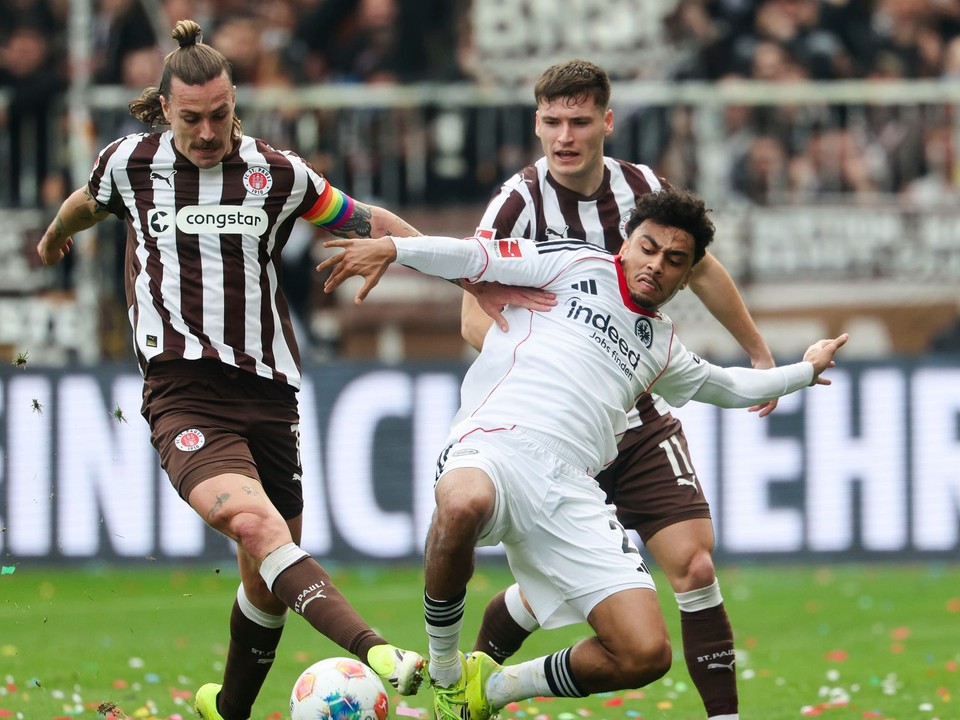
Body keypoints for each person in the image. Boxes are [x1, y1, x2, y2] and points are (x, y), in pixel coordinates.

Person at [317, 186, 848, 720]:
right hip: (496, 442)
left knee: (645, 653)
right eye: (648, 247)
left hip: (573, 490)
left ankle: (492, 688)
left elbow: (726, 386)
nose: (656, 265)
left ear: (687, 277)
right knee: (460, 504)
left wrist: (806, 370)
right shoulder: (572, 262)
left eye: (674, 260)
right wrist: (398, 250)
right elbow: (474, 257)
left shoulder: (664, 347)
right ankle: (449, 674)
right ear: (626, 244)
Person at [35, 20, 428, 720]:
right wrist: (55, 236)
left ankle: (228, 710)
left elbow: (362, 218)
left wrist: (456, 265)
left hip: (270, 394)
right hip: (183, 393)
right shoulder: (128, 163)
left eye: (219, 115)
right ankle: (377, 651)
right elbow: (85, 205)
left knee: (269, 574)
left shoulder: (275, 174)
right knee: (253, 524)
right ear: (163, 110)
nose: (209, 132)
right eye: (192, 119)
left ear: (234, 102)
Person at [460, 59, 775, 720]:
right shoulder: (516, 204)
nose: (564, 136)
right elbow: (470, 313)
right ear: (537, 123)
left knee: (693, 566)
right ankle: (473, 689)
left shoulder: (641, 187)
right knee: (552, 591)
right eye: (551, 121)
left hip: (636, 412)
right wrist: (560, 369)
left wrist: (757, 350)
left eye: (579, 121)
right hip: (553, 427)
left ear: (607, 121)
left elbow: (705, 267)